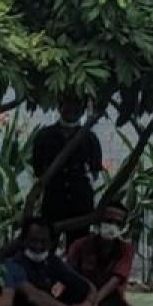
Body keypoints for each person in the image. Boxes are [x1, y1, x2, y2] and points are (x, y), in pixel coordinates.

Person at [6, 217, 96, 306]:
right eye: (33, 241)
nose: (38, 247)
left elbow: (87, 286)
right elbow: (34, 296)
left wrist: (89, 304)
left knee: (78, 291)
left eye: (43, 241)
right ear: (23, 240)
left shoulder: (52, 261)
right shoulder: (13, 265)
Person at [31, 99, 103, 247]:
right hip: (53, 200)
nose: (72, 110)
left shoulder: (90, 138)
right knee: (46, 244)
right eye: (68, 105)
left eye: (77, 106)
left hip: (80, 202)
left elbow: (95, 170)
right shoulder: (45, 136)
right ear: (59, 106)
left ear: (83, 110)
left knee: (78, 246)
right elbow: (38, 169)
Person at [66, 201, 143, 306]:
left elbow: (115, 280)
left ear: (123, 226)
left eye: (117, 223)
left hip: (108, 297)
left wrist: (94, 302)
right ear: (98, 221)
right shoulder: (80, 246)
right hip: (82, 294)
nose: (111, 226)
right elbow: (70, 275)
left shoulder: (126, 250)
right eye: (108, 220)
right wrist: (88, 300)